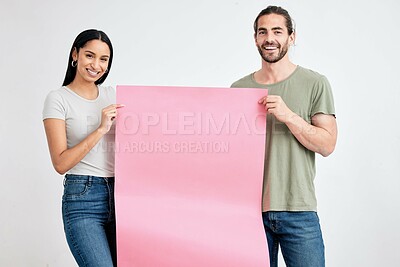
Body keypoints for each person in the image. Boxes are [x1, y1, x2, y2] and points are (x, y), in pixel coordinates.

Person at [231, 6, 337, 267]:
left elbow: (327, 144)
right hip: (250, 212)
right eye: (263, 32)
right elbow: (230, 153)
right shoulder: (238, 89)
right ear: (255, 38)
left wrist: (289, 115)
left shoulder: (315, 83)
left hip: (298, 211)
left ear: (292, 37)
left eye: (277, 31)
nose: (269, 38)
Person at [42, 29, 123, 267]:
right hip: (83, 199)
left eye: (103, 59)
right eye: (89, 55)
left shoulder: (114, 96)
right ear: (75, 54)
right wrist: (100, 129)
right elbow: (60, 163)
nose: (95, 65)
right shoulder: (58, 99)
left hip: (122, 195)